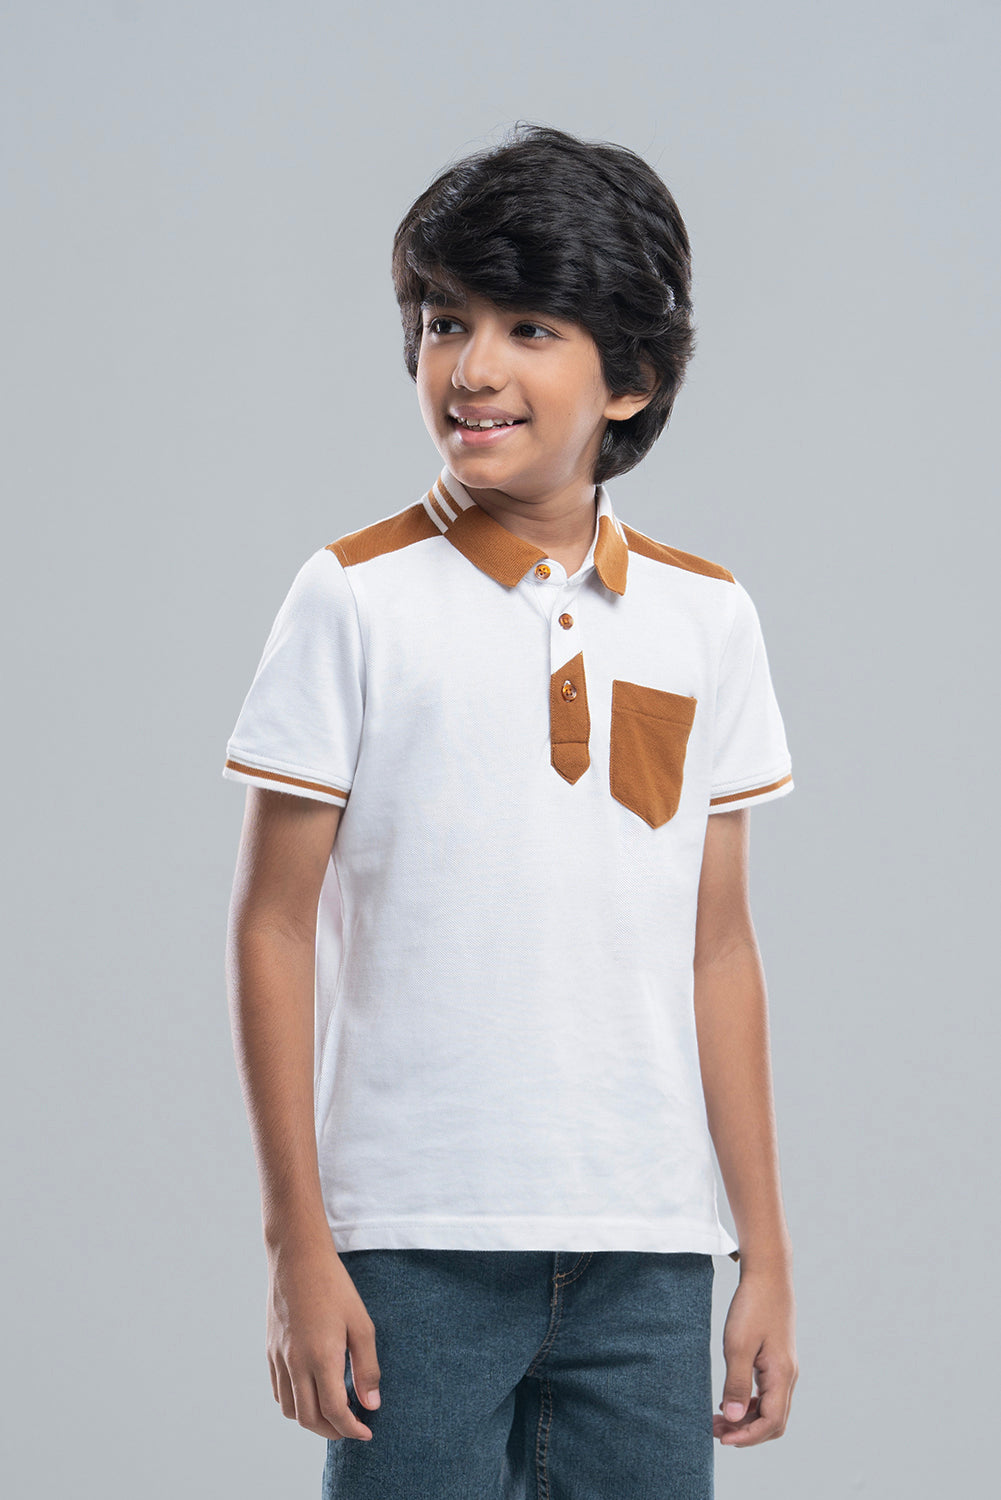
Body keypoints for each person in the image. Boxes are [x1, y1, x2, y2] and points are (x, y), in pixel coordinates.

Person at [223, 122, 799, 1499]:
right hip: (411, 1244)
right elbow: (272, 930)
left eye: (528, 327)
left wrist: (764, 1252)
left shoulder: (707, 616)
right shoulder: (353, 598)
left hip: (648, 1253)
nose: (470, 367)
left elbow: (718, 949)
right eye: (444, 323)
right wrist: (299, 1245)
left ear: (630, 378)